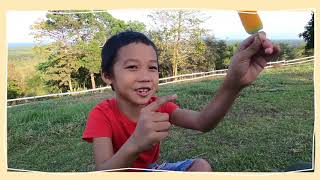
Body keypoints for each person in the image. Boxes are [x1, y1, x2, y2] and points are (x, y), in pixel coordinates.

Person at [82, 31, 280, 172]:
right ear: (108, 75)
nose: (145, 76)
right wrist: (135, 143)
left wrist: (233, 83)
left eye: (152, 68)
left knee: (201, 167)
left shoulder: (160, 106)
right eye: (132, 67)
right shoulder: (101, 114)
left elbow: (203, 122)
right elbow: (103, 172)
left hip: (152, 170)